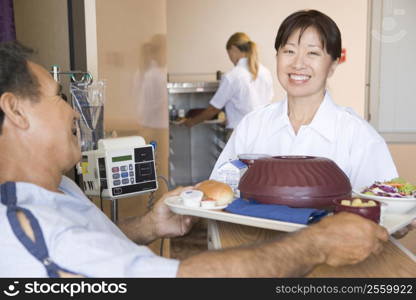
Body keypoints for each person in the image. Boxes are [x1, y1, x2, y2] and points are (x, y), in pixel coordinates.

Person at [0, 41, 390, 278]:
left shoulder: (61, 188)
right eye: (58, 96)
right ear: (15, 111)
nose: (73, 112)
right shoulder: (27, 230)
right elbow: (186, 277)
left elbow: (96, 246)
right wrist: (316, 244)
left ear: (333, 64)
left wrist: (148, 224)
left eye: (312, 53)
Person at [210, 10, 398, 191]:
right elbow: (217, 193)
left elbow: (383, 209)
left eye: (313, 53)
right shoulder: (251, 126)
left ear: (332, 65)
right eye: (289, 51)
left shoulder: (359, 136)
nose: (298, 64)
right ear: (277, 57)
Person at [184, 32, 274, 139]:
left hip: (240, 135)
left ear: (233, 48)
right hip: (264, 133)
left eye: (229, 53)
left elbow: (213, 110)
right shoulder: (265, 72)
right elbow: (264, 103)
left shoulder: (233, 76)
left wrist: (191, 122)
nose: (230, 58)